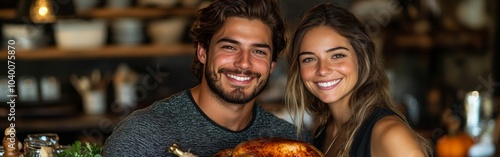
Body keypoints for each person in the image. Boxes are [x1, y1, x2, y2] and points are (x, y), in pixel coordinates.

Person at [102, 0, 307, 156]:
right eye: (229, 47)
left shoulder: (292, 144)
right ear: (202, 52)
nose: (244, 63)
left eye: (259, 51)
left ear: (271, 65)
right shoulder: (143, 134)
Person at [284, 3, 432, 157]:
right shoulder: (323, 133)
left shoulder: (390, 134)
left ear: (361, 58)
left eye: (337, 56)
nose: (322, 69)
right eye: (309, 59)